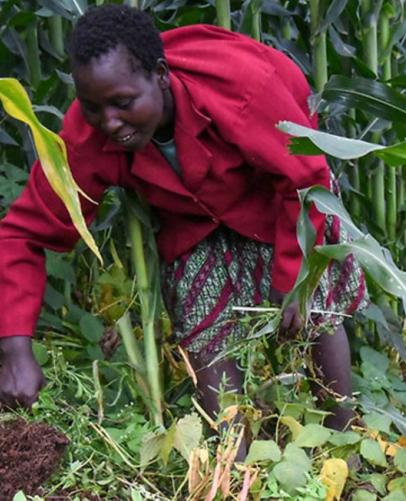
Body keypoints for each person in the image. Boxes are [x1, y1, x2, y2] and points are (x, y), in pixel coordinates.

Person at [0, 5, 366, 433]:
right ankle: (231, 465)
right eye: (93, 107)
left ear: (160, 75)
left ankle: (344, 437)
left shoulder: (243, 87)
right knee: (200, 319)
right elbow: (25, 233)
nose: (109, 122)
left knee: (314, 302)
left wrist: (293, 278)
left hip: (276, 196)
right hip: (190, 218)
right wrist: (14, 346)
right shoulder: (89, 133)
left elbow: (304, 182)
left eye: (122, 103)